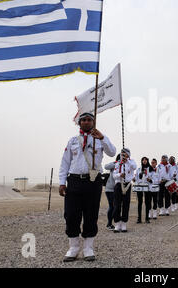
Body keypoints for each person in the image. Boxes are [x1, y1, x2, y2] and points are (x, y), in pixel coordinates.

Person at [59, 112, 116, 262]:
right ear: (79, 123)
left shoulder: (100, 139)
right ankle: (73, 247)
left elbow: (112, 152)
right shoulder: (73, 141)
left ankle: (88, 248)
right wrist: (61, 182)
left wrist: (102, 137)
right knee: (71, 214)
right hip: (75, 181)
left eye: (89, 119)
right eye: (83, 120)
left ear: (93, 122)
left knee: (91, 214)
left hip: (93, 181)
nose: (86, 122)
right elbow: (65, 162)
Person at [112, 148, 137, 233]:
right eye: (122, 153)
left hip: (127, 185)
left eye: (124, 153)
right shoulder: (118, 163)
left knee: (126, 204)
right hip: (118, 184)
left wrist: (127, 161)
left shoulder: (131, 162)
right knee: (117, 204)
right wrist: (120, 174)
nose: (123, 155)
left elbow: (134, 167)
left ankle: (124, 223)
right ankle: (117, 223)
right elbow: (114, 175)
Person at [104, 154, 120, 230]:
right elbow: (106, 166)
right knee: (112, 206)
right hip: (110, 189)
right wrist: (115, 162)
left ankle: (115, 222)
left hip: (119, 188)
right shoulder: (114, 164)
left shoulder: (125, 166)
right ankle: (109, 224)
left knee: (117, 206)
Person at [135, 157, 152, 223]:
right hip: (140, 187)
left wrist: (150, 180)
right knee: (140, 203)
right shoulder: (139, 169)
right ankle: (139, 218)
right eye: (143, 160)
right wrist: (135, 179)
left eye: (146, 160)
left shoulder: (150, 169)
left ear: (147, 161)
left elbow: (154, 178)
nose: (144, 161)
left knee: (147, 203)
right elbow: (136, 178)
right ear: (141, 161)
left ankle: (147, 218)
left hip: (147, 187)